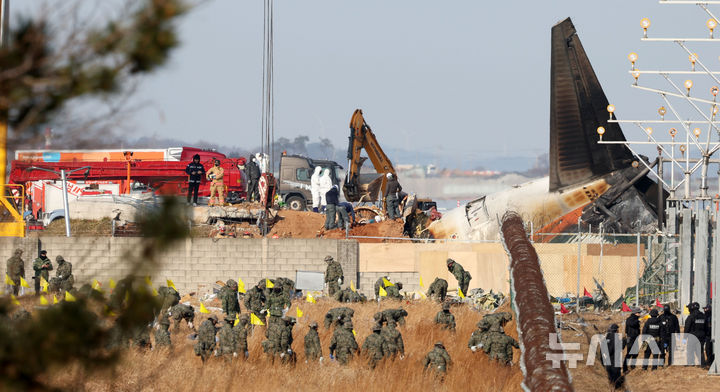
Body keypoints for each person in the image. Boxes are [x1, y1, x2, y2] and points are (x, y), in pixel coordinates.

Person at [684, 302, 707, 366]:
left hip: (693, 336)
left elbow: (687, 328)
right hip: (701, 336)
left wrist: (684, 338)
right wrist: (705, 335)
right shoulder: (703, 316)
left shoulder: (691, 317)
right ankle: (702, 364)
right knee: (700, 350)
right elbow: (706, 327)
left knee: (690, 350)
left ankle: (690, 363)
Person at [603, 324, 625, 390]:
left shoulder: (607, 337)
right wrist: (624, 342)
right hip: (614, 358)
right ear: (616, 330)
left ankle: (611, 385)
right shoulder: (615, 337)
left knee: (609, 372)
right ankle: (617, 387)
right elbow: (618, 347)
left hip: (607, 358)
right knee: (616, 373)